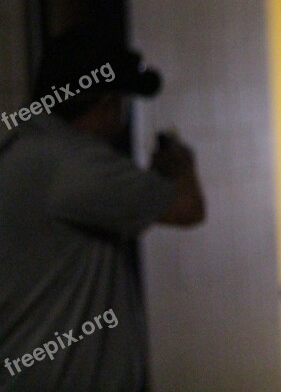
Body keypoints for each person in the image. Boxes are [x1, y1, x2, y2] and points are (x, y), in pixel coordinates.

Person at [0, 28, 205, 390]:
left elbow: (115, 210)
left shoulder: (23, 145)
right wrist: (182, 166)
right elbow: (187, 209)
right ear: (105, 102)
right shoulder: (79, 163)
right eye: (121, 104)